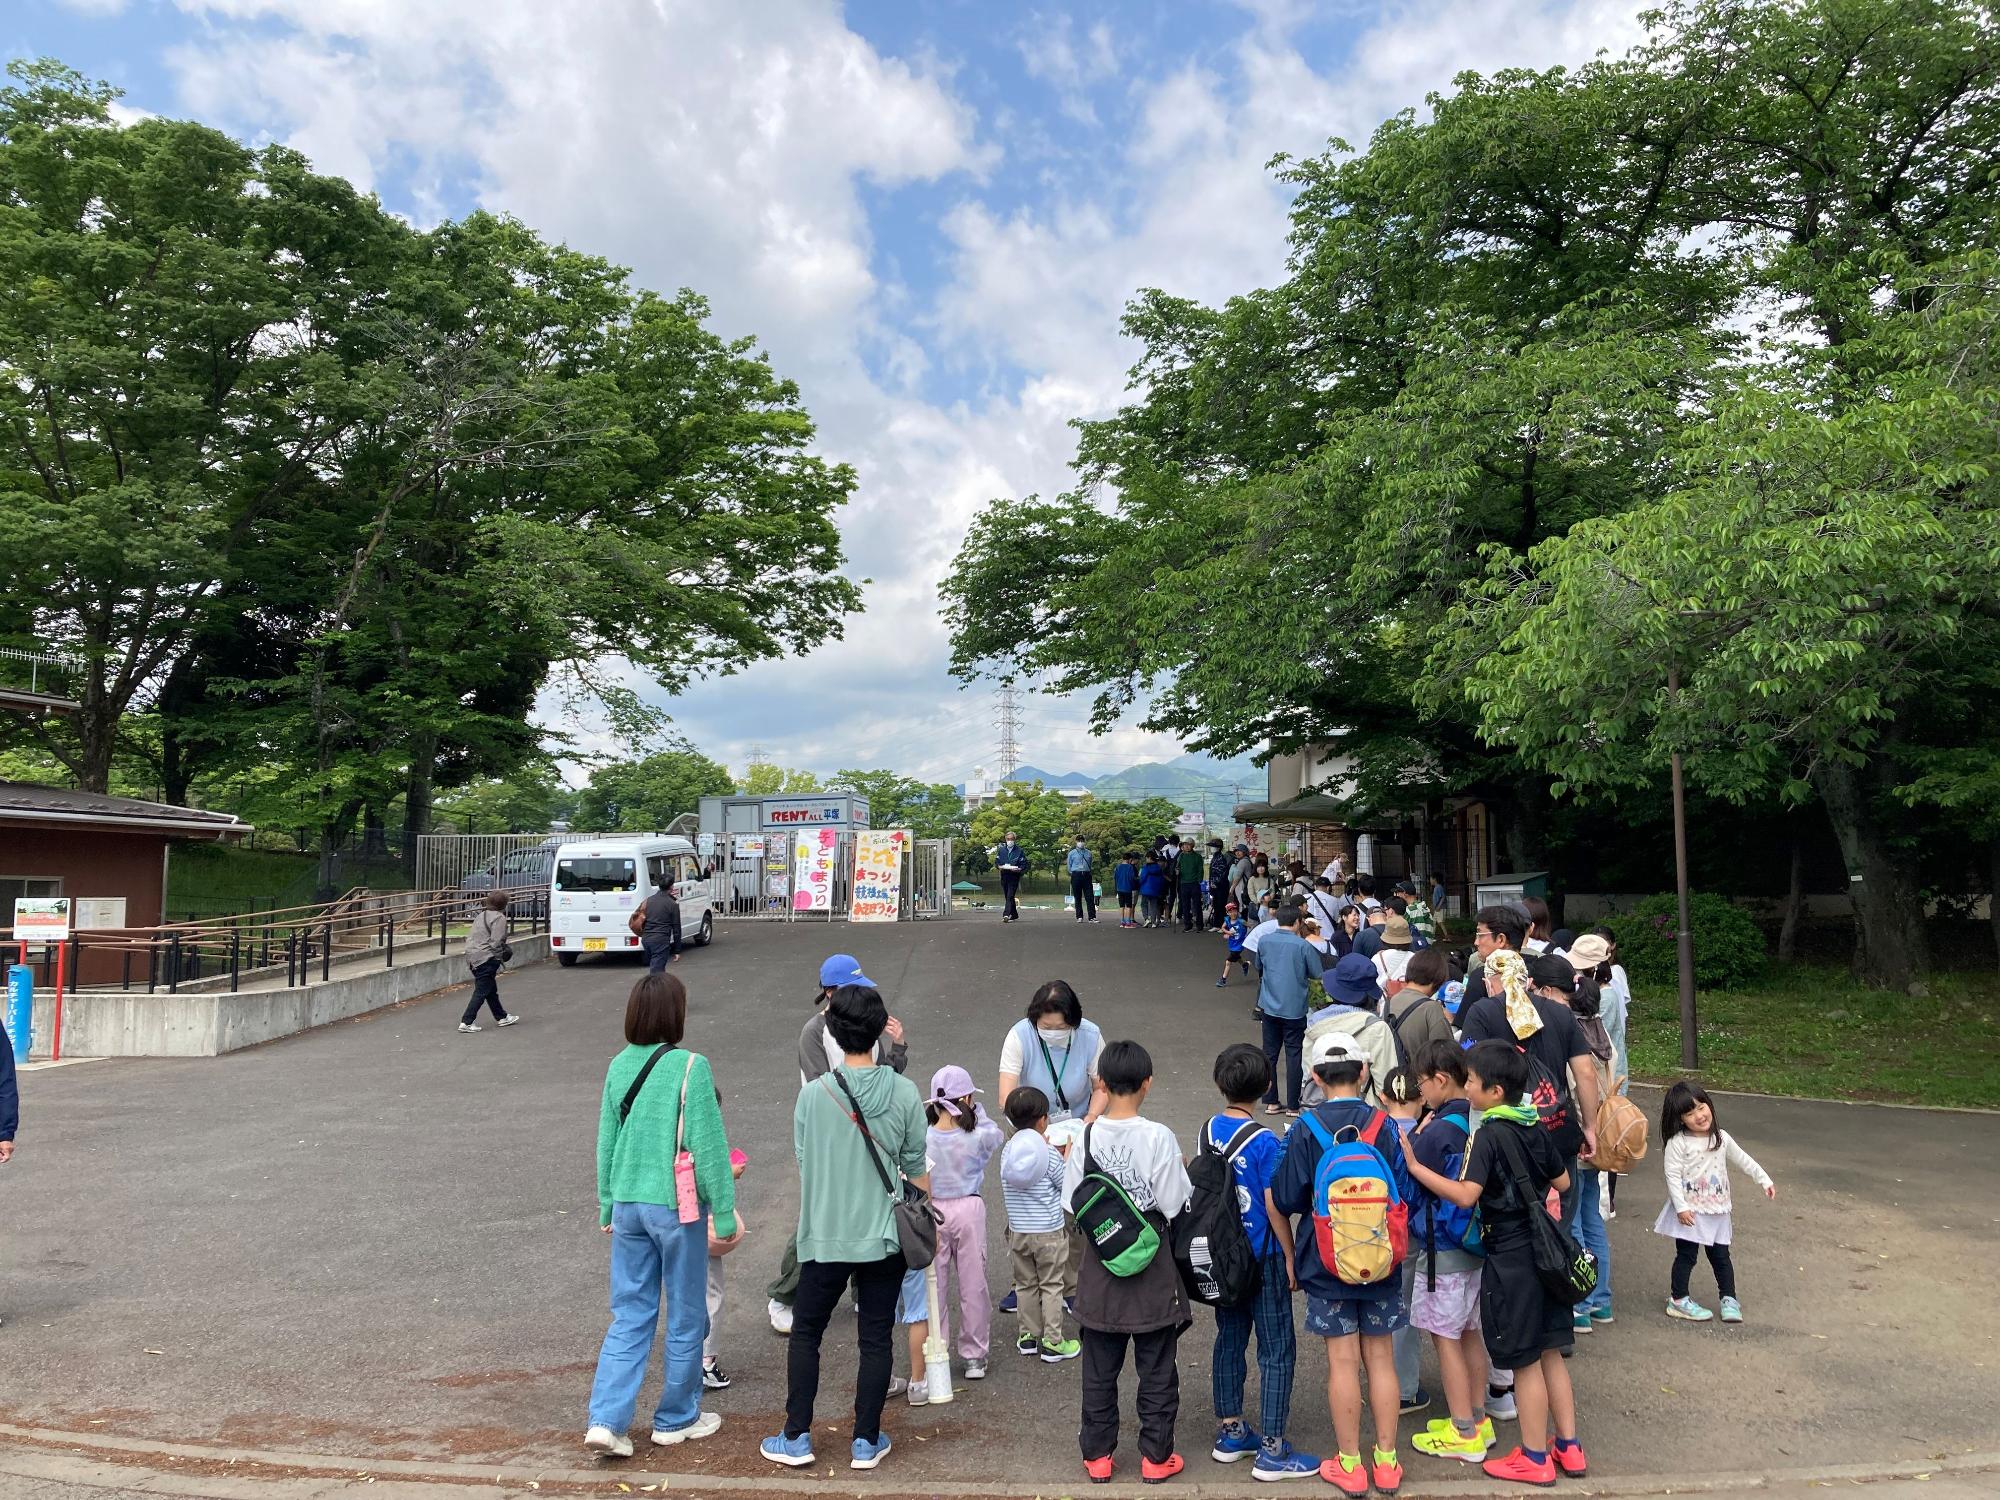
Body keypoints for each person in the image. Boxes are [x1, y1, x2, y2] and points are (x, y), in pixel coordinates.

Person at [1397, 1041, 1584, 1488]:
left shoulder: (1490, 1133)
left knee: (1524, 1361)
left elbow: (1465, 1195)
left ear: (1495, 1091)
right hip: (1548, 1254)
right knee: (1551, 1351)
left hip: (1512, 1255)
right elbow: (1561, 1179)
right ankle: (1569, 1448)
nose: (1471, 1089)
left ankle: (1535, 1456)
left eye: (1475, 1083)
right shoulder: (1532, 1124)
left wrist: (1415, 1166)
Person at [762, 984, 928, 1473]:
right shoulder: (903, 1091)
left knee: (807, 1332)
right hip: (884, 1235)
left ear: (832, 1030)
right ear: (879, 1032)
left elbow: (805, 1160)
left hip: (825, 1234)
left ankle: (796, 1435)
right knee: (876, 1336)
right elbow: (917, 1170)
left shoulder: (814, 1096)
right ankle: (866, 1439)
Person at [585, 974, 739, 1458]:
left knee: (629, 1314)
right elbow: (709, 1146)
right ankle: (677, 1417)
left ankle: (607, 1420)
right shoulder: (691, 1067)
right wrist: (727, 1209)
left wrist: (607, 1201)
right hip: (677, 1206)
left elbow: (606, 1140)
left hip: (628, 1203)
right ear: (676, 1014)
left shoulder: (616, 1067)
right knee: (687, 1313)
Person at [1270, 1033, 1412, 1496]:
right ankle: (1387, 1461)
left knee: (1343, 1363)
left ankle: (1350, 1464)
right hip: (1382, 1260)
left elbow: (1287, 1197)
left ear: (1314, 1077)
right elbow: (1403, 1196)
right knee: (1382, 1359)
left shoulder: (1304, 1129)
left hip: (1325, 1264)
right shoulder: (1383, 1125)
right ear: (1365, 1073)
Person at [1064, 1040, 1194, 1485]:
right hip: (1152, 1265)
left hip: (1100, 1269)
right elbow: (1174, 1204)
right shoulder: (1158, 1136)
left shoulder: (1085, 1136)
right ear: (1147, 1084)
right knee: (1157, 1368)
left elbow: (1071, 1202)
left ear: (1101, 1083)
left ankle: (1098, 1456)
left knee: (1099, 1369)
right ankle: (1156, 1458)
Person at [768, 955, 910, 1334]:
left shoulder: (869, 1027)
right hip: (828, 1134)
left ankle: (862, 1289)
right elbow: (825, 1086)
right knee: (820, 1215)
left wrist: (897, 1048)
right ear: (831, 992)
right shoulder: (812, 1033)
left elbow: (884, 1079)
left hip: (866, 1134)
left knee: (866, 1209)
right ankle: (784, 1294)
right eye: (855, 988)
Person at [1205, 1043, 1316, 1479]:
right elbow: (1274, 1206)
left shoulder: (1207, 1130)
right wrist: (1291, 1256)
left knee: (1229, 1338)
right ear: (1268, 1085)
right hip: (1264, 1256)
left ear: (1219, 1083)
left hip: (1223, 1255)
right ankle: (1272, 1447)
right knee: (1276, 1350)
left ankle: (1232, 1431)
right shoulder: (1266, 1140)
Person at [1458, 908, 1602, 1223]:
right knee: (1560, 1226)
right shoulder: (1560, 1013)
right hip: (1556, 1127)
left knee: (1509, 1225)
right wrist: (1589, 1127)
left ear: (1487, 981)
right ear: (1529, 980)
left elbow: (1466, 1073)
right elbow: (1585, 1073)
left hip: (1502, 1136)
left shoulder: (1481, 1013)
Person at [1405, 1042, 1493, 1465]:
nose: (1420, 1093)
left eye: (1422, 1084)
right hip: (1476, 1245)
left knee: (1444, 1337)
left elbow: (1411, 1186)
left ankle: (1462, 1432)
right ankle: (1478, 1418)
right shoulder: (1475, 1120)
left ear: (1441, 1080)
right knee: (1471, 1331)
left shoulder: (1438, 1131)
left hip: (1443, 1251)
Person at [996, 981, 1105, 1315]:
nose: (1053, 1033)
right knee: (1028, 1210)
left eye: (1061, 1027)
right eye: (1046, 1027)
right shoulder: (1020, 1036)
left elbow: (1102, 1087)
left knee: (1073, 1211)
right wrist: (1034, 1137)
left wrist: (1087, 1120)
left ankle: (1070, 1286)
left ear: (1073, 1021)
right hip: (1030, 1128)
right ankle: (1023, 1282)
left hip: (1075, 1130)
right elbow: (1006, 1097)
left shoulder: (1089, 1035)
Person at [1655, 1082, 1776, 1324]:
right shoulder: (1678, 1143)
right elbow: (1672, 1176)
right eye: (1689, 1113)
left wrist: (1764, 1179)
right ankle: (1678, 1299)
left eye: (1701, 1107)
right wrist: (1681, 1207)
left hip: (1717, 1210)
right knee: (1686, 1256)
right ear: (1680, 1119)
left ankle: (1729, 1298)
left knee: (1721, 1256)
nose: (1699, 1116)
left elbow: (1743, 1159)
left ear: (1709, 1104)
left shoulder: (1721, 1138)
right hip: (1690, 1213)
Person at [924, 1065, 1004, 1380]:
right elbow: (995, 1135)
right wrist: (978, 1111)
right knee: (973, 1284)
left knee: (935, 1286)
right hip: (969, 1208)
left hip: (933, 1212)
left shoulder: (924, 1135)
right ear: (967, 1098)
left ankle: (937, 1350)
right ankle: (974, 1356)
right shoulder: (978, 1134)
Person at [1000, 1085, 1078, 1361]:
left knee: (1025, 1284)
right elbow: (1064, 1184)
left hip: (1019, 1231)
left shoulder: (1008, 1152)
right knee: (1052, 1285)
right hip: (1049, 1232)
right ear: (1043, 1119)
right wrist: (1066, 1157)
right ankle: (1054, 1340)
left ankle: (1028, 1337)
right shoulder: (1048, 1153)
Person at [1567, 930, 1630, 1219]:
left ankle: (1609, 1203)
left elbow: (1585, 1067)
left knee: (1599, 1157)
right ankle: (1607, 1204)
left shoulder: (1598, 999)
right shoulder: (1610, 989)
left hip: (1602, 1082)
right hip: (1612, 1074)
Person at [1301, 954, 1398, 1109]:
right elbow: (1386, 1085)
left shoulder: (1315, 1025)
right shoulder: (1377, 1029)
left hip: (1320, 1118)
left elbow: (1308, 1075)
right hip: (1366, 1121)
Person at [702, 1087, 751, 1393]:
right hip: (694, 1223)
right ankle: (705, 1362)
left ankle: (690, 1357)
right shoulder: (701, 1137)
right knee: (712, 1292)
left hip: (658, 1219)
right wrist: (728, 1175)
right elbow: (703, 1183)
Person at [1254, 905, 1324, 1117]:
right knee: (1294, 1055)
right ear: (1297, 923)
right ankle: (1294, 1105)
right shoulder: (1302, 945)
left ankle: (1271, 1101)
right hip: (1295, 1008)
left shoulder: (1264, 941)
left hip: (1269, 1005)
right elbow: (1317, 973)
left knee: (1270, 1054)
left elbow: (1259, 966)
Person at [1384, 947, 1458, 1066]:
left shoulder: (1390, 1001)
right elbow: (1445, 1054)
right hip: (1420, 1079)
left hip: (1394, 1078)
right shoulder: (1431, 1008)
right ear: (1438, 979)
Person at [459, 892, 518, 1032]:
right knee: (482, 990)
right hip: (486, 958)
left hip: (472, 957)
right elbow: (496, 941)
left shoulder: (481, 915)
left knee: (490, 989)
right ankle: (467, 1021)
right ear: (503, 904)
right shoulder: (499, 918)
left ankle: (501, 1017)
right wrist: (500, 958)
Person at [637, 872, 682, 973]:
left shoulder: (648, 901)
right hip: (660, 940)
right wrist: (677, 950)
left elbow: (639, 917)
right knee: (657, 971)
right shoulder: (672, 904)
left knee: (656, 966)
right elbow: (676, 929)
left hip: (646, 939)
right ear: (671, 887)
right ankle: (653, 988)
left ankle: (655, 986)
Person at [994, 831, 1028, 922]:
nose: (1010, 841)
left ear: (1014, 840)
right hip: (1004, 875)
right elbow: (997, 862)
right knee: (1007, 895)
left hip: (1014, 876)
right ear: (1005, 840)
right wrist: (999, 867)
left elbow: (1024, 864)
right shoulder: (1001, 850)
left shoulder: (1019, 851)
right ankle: (1014, 914)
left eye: (1012, 839)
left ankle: (1006, 914)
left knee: (1010, 895)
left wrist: (1019, 869)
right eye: (1008, 839)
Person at [1216, 902, 1250, 987]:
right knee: (1237, 957)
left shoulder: (1241, 921)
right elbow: (1222, 928)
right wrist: (1228, 932)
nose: (1233, 913)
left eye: (1234, 911)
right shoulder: (1227, 920)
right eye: (1230, 912)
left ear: (1237, 911)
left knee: (1228, 962)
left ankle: (1223, 980)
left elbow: (1250, 926)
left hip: (1239, 945)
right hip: (1232, 943)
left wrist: (1247, 936)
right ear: (1227, 913)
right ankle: (1244, 964)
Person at [1177, 839, 1207, 931]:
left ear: (1192, 846)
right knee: (1185, 905)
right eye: (1184, 844)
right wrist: (1177, 871)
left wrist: (1199, 881)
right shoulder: (1181, 856)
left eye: (1188, 844)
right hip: (1183, 883)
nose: (1186, 846)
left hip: (1194, 883)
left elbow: (1200, 870)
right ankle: (1187, 924)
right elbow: (1177, 867)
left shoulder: (1197, 857)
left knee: (1197, 904)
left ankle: (1199, 924)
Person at [1067, 836, 1099, 923]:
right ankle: (1079, 916)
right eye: (1079, 841)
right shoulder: (1072, 853)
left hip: (1086, 875)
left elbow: (1090, 863)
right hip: (1076, 875)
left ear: (1085, 841)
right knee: (1077, 897)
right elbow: (1069, 866)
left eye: (1082, 841)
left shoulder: (1089, 853)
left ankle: (1092, 917)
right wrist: (1074, 873)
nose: (1081, 842)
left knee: (1089, 896)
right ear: (1076, 842)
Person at [1137, 856, 1169, 928]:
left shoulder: (1145, 867)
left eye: (1147, 858)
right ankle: (1154, 922)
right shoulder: (1159, 868)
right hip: (1155, 890)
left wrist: (1139, 884)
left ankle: (1146, 919)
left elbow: (1142, 878)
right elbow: (1161, 879)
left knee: (1144, 904)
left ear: (1149, 858)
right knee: (1153, 906)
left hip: (1146, 889)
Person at [1208, 840, 1234, 929]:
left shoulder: (1220, 858)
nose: (1211, 848)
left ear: (1218, 848)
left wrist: (1214, 882)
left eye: (1213, 846)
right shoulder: (1215, 857)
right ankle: (1216, 925)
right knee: (1216, 905)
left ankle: (1222, 925)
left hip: (1221, 886)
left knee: (1221, 906)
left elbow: (1221, 873)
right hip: (1215, 886)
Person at [1114, 851, 1141, 929]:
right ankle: (1128, 923)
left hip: (1119, 889)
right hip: (1127, 889)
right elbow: (1131, 878)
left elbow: (1115, 878)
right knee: (1128, 906)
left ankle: (1122, 922)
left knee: (1121, 905)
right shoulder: (1130, 867)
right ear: (1129, 859)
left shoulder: (1118, 867)